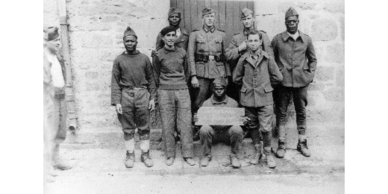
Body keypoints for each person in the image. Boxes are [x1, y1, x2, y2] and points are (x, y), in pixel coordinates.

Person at [271, 7, 317, 158]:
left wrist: (309, 76)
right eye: (288, 21)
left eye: (294, 21)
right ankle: (281, 144)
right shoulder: (277, 39)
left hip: (301, 81)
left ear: (298, 22)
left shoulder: (306, 39)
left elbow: (313, 59)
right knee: (281, 112)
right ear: (285, 22)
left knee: (301, 112)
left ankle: (302, 143)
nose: (291, 24)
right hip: (282, 83)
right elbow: (271, 60)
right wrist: (277, 74)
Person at [233, 29, 283, 168]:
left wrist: (266, 87)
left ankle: (268, 153)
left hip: (265, 98)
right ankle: (257, 152)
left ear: (261, 42)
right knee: (253, 126)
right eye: (250, 41)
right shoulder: (243, 59)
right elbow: (236, 78)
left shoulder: (267, 58)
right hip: (248, 99)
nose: (253, 44)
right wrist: (247, 88)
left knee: (266, 128)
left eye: (256, 41)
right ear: (247, 42)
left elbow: (278, 77)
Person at [111, 26, 156, 168]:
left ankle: (145, 154)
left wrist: (152, 98)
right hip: (126, 95)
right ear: (123, 42)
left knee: (144, 127)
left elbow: (151, 79)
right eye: (127, 41)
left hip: (142, 94)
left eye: (132, 40)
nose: (129, 43)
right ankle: (130, 154)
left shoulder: (144, 58)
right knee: (128, 128)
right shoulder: (119, 60)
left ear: (136, 42)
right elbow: (115, 82)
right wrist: (117, 101)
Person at [153, 26, 195, 166]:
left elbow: (187, 72)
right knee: (167, 123)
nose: (171, 38)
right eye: (168, 36)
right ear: (163, 38)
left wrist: (181, 83)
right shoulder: (158, 54)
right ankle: (170, 154)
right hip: (165, 91)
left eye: (173, 35)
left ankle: (188, 155)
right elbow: (155, 75)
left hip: (182, 89)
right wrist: (163, 88)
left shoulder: (182, 52)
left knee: (185, 123)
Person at [188, 7, 231, 114]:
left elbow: (225, 56)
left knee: (219, 98)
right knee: (199, 100)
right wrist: (193, 76)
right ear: (202, 18)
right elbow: (190, 56)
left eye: (212, 16)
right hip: (201, 73)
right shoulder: (195, 34)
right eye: (207, 16)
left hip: (219, 72)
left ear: (215, 18)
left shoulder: (221, 34)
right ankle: (198, 127)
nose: (210, 19)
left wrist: (227, 75)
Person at [225, 8, 273, 102]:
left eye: (249, 18)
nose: (247, 21)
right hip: (244, 79)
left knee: (262, 104)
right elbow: (227, 55)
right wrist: (239, 49)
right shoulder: (237, 38)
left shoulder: (262, 35)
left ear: (253, 19)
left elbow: (270, 56)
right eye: (244, 19)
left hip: (260, 79)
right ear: (241, 21)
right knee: (245, 106)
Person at [43, 26, 72, 182]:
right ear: (47, 42)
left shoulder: (57, 57)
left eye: (60, 40)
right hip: (50, 97)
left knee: (60, 129)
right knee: (48, 131)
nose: (59, 43)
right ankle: (45, 167)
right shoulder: (42, 59)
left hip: (61, 95)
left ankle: (56, 159)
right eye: (55, 41)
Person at [197, 77, 245, 168]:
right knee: (204, 129)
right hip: (213, 133)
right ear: (213, 90)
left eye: (221, 89)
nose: (219, 91)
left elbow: (238, 119)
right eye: (216, 89)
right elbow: (201, 121)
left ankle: (234, 155)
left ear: (225, 89)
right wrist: (198, 119)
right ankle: (207, 155)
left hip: (227, 133)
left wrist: (242, 120)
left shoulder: (233, 103)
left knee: (237, 129)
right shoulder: (206, 104)